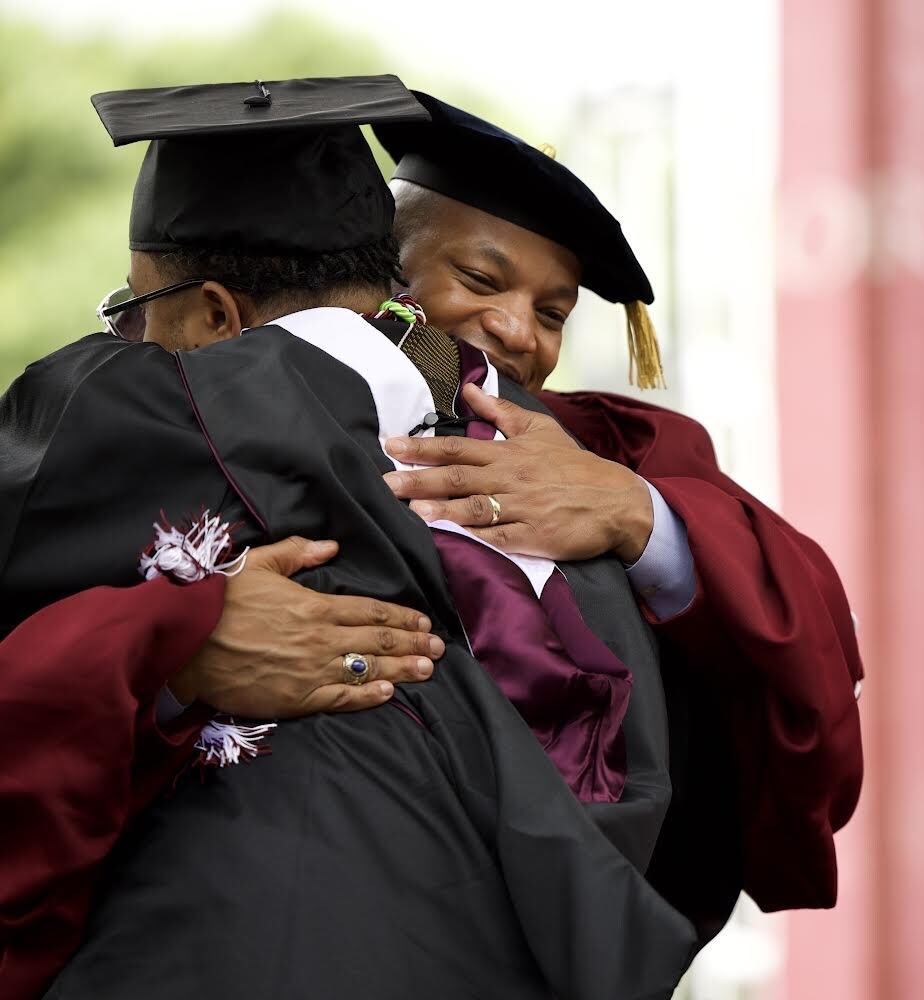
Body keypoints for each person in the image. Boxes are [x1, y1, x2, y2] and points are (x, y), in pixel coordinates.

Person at [0, 77, 694, 999]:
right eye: (481, 281)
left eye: (135, 312)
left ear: (215, 316)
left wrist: (161, 648)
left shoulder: (131, 416)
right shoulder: (570, 485)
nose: (131, 340)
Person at [371, 92, 865, 931]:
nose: (513, 329)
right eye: (480, 279)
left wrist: (640, 518)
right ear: (379, 271)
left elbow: (808, 610)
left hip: (551, 922)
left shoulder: (614, 445)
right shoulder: (261, 406)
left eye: (553, 312)